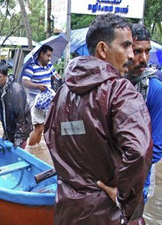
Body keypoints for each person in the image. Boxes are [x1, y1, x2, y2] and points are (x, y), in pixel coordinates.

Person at [44, 14, 152, 224]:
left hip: (68, 210)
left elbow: (52, 139)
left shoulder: (62, 93)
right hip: (108, 214)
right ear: (102, 49)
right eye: (126, 46)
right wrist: (124, 197)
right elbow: (139, 151)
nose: (131, 55)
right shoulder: (120, 91)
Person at [125, 24, 162, 203]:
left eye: (147, 52)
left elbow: (156, 147)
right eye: (137, 51)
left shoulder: (154, 89)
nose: (143, 58)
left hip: (138, 178)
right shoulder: (112, 81)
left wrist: (124, 172)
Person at [0, 62, 31, 149]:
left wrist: (18, 140)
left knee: (18, 148)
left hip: (22, 129)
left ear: (5, 76)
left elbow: (21, 119)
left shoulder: (17, 91)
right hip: (8, 127)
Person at [21, 44, 60, 148]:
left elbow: (56, 76)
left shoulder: (49, 66)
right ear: (41, 54)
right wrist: (37, 86)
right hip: (35, 100)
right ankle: (30, 150)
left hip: (47, 100)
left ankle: (36, 149)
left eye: (51, 56)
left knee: (43, 127)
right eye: (48, 55)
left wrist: (57, 78)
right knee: (38, 127)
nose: (49, 58)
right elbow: (24, 82)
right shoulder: (31, 67)